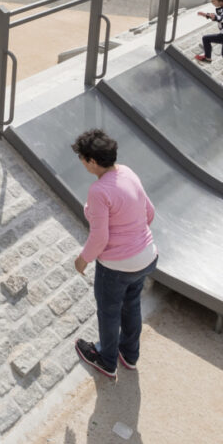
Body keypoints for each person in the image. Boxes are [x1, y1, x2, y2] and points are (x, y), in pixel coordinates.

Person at [71, 129, 158, 382]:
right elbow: (149, 212)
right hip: (146, 256)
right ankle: (130, 355)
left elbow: (100, 238)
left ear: (93, 161)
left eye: (83, 159)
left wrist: (82, 259)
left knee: (109, 313)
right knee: (131, 306)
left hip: (116, 267)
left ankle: (107, 360)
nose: (83, 163)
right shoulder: (128, 172)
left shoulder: (98, 191)